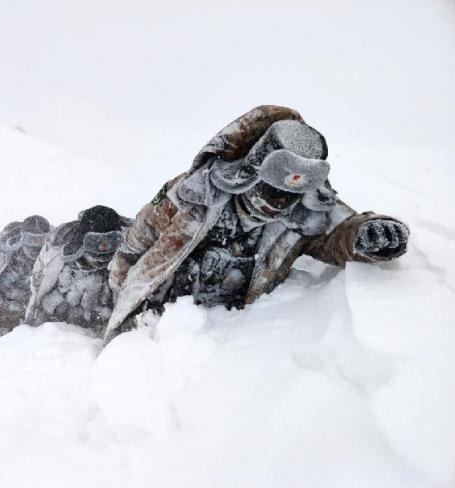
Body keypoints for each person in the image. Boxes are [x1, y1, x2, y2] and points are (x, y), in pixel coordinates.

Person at [105, 105, 409, 342]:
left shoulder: (309, 210)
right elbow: (138, 239)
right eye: (272, 189)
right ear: (251, 171)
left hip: (228, 335)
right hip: (153, 317)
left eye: (291, 195)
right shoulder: (195, 190)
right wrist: (120, 292)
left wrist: (366, 233)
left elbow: (339, 231)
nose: (278, 202)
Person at [25, 205, 132, 331]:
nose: (103, 248)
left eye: (110, 240)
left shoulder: (132, 245)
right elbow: (39, 281)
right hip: (64, 326)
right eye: (95, 241)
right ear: (82, 240)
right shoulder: (57, 249)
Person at [0, 215, 52, 336]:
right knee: (1, 335)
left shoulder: (53, 250)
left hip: (38, 298)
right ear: (22, 238)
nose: (35, 244)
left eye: (41, 239)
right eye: (30, 239)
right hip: (9, 297)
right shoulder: (2, 250)